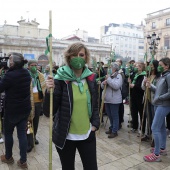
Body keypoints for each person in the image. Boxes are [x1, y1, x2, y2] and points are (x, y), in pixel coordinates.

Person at [43, 42, 100, 170]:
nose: (78, 57)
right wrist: (49, 92)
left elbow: (95, 105)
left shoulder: (91, 78)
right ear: (69, 57)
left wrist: (95, 125)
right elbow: (48, 112)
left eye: (81, 54)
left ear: (86, 57)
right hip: (66, 136)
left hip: (87, 134)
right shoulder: (60, 79)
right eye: (74, 55)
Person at [0, 52, 31, 169]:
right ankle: (23, 161)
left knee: (8, 134)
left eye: (10, 59)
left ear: (13, 63)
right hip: (24, 109)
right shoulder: (26, 73)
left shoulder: (9, 76)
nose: (8, 60)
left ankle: (8, 157)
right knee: (22, 134)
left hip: (12, 111)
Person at [144, 57, 170, 162]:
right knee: (161, 127)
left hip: (163, 105)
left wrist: (158, 98)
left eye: (160, 64)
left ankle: (156, 154)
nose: (158, 66)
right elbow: (159, 90)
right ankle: (162, 148)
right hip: (158, 104)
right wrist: (151, 86)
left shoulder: (168, 76)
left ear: (167, 66)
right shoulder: (162, 76)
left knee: (155, 128)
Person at [27, 59, 46, 152]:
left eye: (35, 65)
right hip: (29, 102)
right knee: (29, 122)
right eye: (32, 65)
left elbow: (44, 87)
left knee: (36, 121)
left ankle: (34, 137)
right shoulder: (26, 76)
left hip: (38, 101)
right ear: (28, 66)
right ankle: (29, 141)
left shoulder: (40, 75)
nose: (34, 67)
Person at [101, 62, 122, 138]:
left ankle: (114, 131)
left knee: (114, 115)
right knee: (109, 115)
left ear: (115, 69)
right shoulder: (109, 76)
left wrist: (108, 80)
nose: (109, 69)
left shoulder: (118, 76)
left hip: (115, 100)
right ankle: (112, 127)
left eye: (111, 67)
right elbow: (102, 86)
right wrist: (104, 83)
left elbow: (116, 86)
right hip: (107, 99)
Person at [141, 60, 160, 142]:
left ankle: (155, 138)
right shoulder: (148, 75)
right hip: (147, 99)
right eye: (149, 65)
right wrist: (144, 82)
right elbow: (143, 88)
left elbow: (158, 90)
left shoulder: (159, 77)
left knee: (154, 119)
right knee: (148, 118)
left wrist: (150, 85)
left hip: (154, 101)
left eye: (152, 65)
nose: (150, 67)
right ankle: (148, 134)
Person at [129, 62, 146, 133]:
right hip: (134, 96)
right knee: (134, 112)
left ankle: (142, 129)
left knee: (141, 113)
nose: (136, 68)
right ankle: (134, 126)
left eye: (138, 67)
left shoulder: (143, 76)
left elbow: (142, 88)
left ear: (141, 68)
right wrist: (129, 83)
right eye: (136, 66)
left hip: (140, 97)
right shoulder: (135, 75)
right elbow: (131, 84)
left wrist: (134, 86)